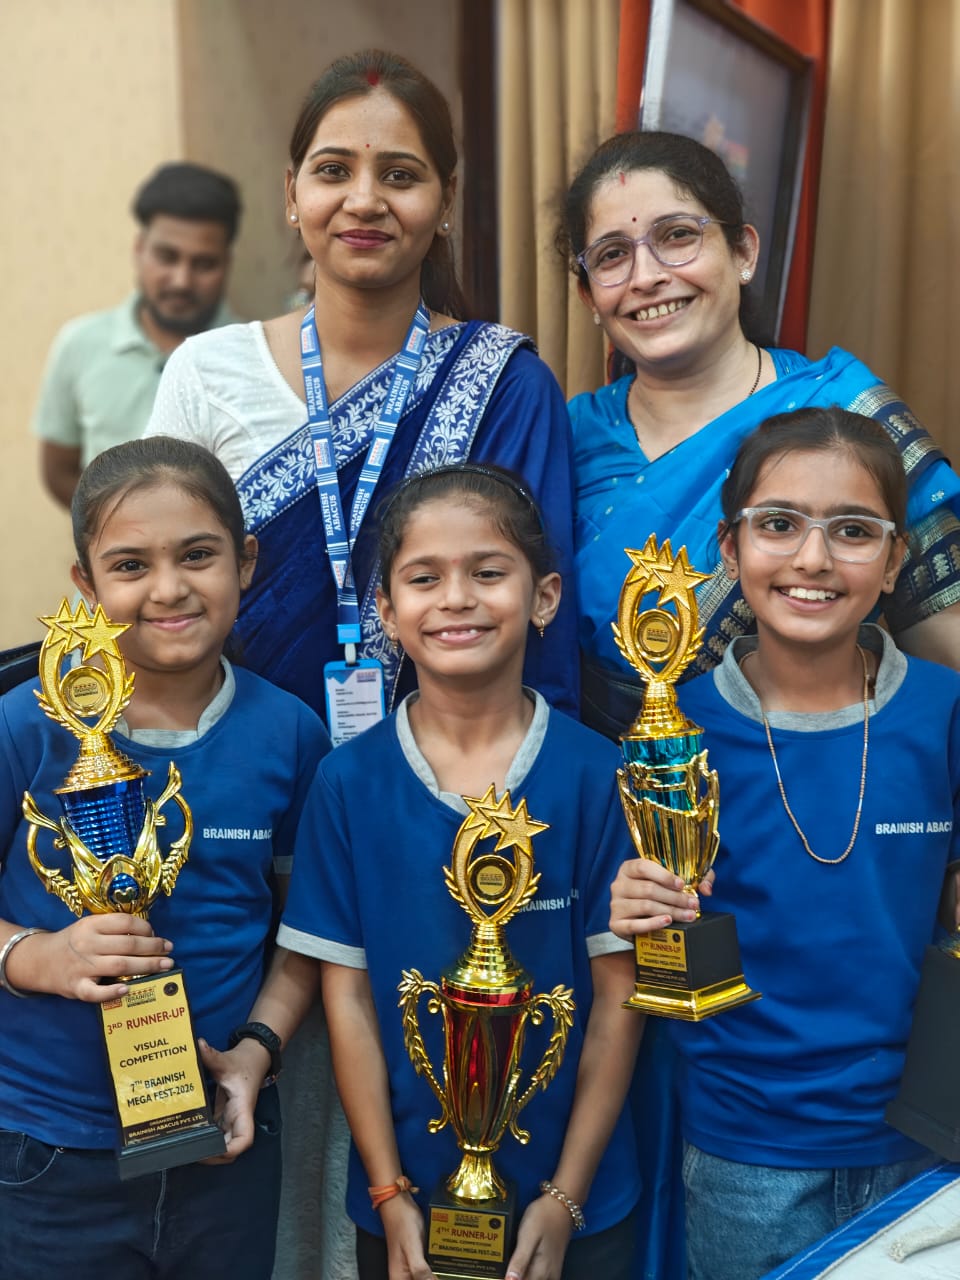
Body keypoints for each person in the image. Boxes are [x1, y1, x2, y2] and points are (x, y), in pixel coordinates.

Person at [232, 464, 643, 1280]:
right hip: (408, 1204)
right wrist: (386, 1191)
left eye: (488, 573)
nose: (457, 598)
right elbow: (345, 997)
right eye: (424, 578)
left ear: (545, 595)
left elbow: (617, 998)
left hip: (579, 1205)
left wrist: (565, 1201)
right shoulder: (347, 784)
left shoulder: (600, 775)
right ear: (386, 610)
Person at [608, 407, 960, 1280]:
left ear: (893, 564)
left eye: (852, 532)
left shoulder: (944, 714)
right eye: (778, 525)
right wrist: (633, 912)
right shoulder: (672, 735)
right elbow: (638, 939)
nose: (812, 559)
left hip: (925, 1138)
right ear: (730, 552)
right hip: (744, 1149)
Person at [144, 49, 577, 726]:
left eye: (399, 175)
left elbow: (543, 642)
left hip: (441, 788)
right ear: (293, 195)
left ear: (446, 202)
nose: (365, 199)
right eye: (334, 171)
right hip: (237, 772)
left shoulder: (507, 387)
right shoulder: (206, 371)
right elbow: (152, 589)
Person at [0, 437, 330, 1279]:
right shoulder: (23, 725)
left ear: (246, 561)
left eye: (197, 555)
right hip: (46, 1148)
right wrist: (37, 955)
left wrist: (257, 1052)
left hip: (224, 1139)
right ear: (87, 585)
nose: (169, 588)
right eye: (130, 565)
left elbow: (304, 935)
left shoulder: (288, 733)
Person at [560, 130, 960, 741]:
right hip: (613, 814)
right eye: (612, 255)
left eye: (677, 236)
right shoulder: (564, 440)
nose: (646, 276)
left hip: (824, 788)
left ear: (743, 251)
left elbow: (945, 650)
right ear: (588, 293)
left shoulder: (846, 413)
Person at [33, 163, 241, 509]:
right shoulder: (80, 344)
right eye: (167, 257)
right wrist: (116, 532)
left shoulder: (253, 353)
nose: (181, 280)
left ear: (227, 263)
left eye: (204, 264)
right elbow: (58, 471)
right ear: (139, 248)